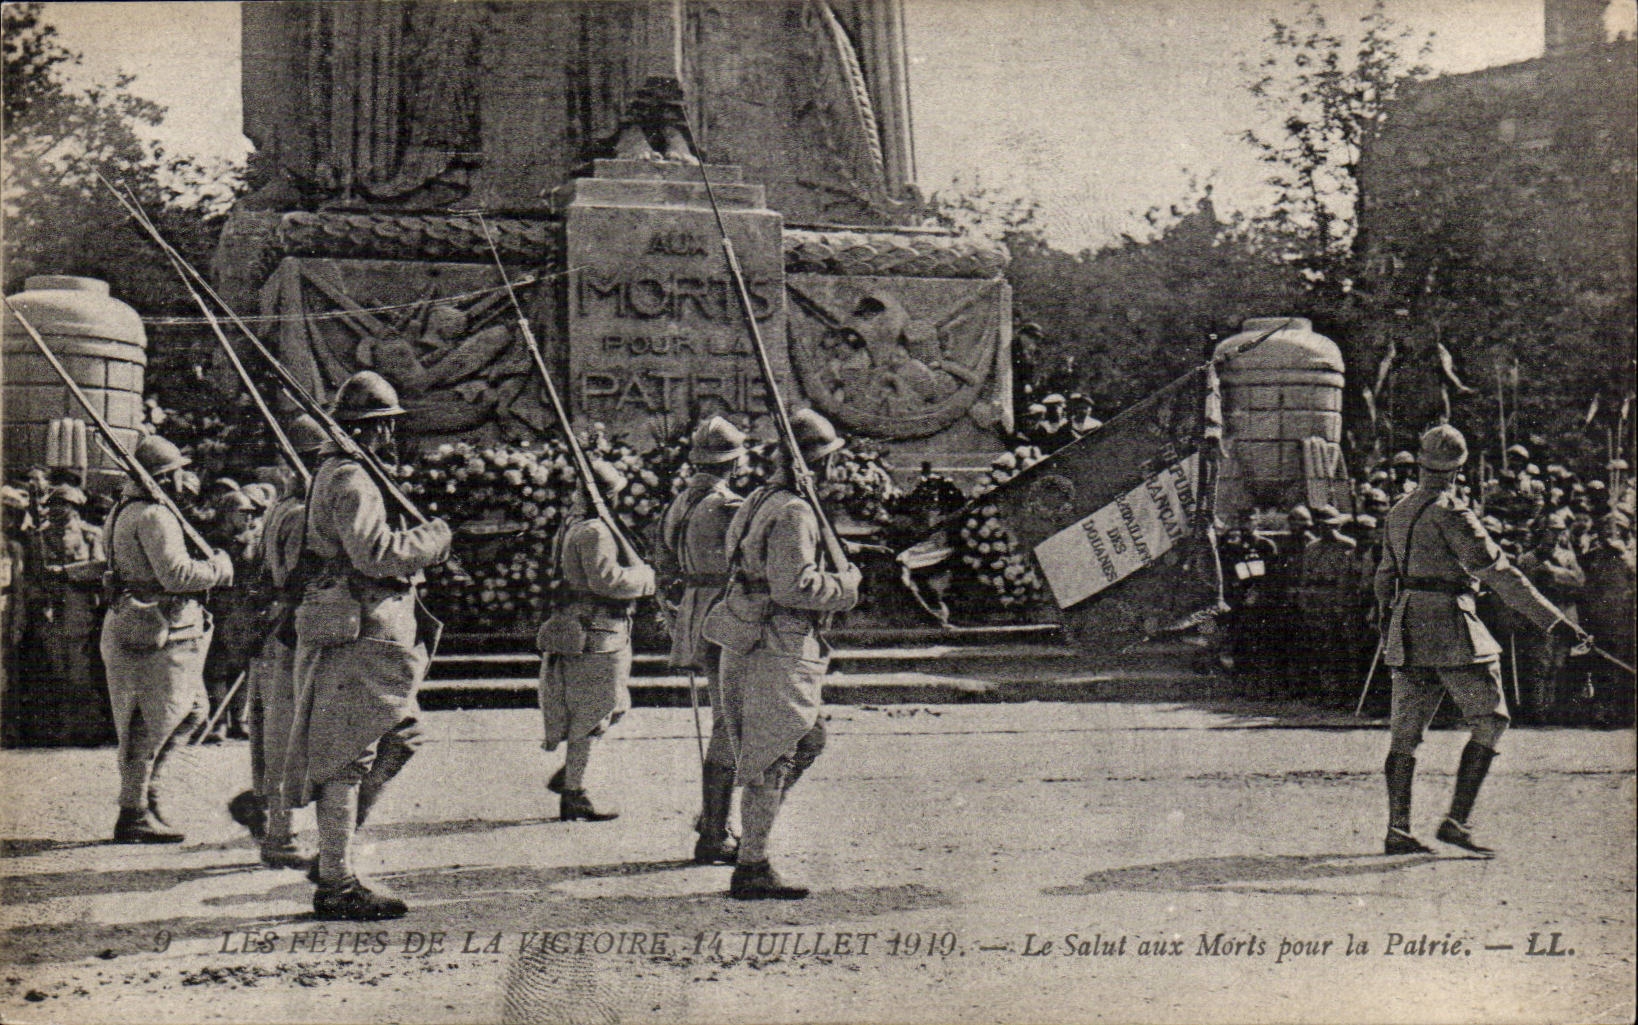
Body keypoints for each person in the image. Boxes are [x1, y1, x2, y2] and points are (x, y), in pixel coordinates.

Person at [1373, 425, 1588, 858]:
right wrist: (1556, 623)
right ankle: (1456, 821)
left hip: (1408, 627)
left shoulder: (1398, 510)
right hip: (1452, 626)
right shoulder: (1453, 513)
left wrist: (1388, 623)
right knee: (1491, 720)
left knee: (1404, 737)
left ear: (1420, 462)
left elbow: (1384, 575)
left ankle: (1398, 829)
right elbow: (1501, 574)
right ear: (1459, 469)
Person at [286, 372, 451, 920]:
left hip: (363, 627)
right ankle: (336, 880)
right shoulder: (352, 477)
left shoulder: (336, 472)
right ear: (374, 430)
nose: (391, 439)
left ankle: (337, 854)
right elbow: (374, 555)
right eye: (386, 428)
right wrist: (434, 539)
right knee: (348, 759)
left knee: (401, 737)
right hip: (363, 631)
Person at [703, 409, 861, 899]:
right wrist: (845, 587)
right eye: (829, 460)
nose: (836, 468)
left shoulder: (758, 499)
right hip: (776, 644)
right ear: (813, 464)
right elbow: (794, 586)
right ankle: (752, 865)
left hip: (749, 637)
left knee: (807, 741)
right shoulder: (793, 510)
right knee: (775, 753)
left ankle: (754, 834)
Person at [100, 435, 235, 843]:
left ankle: (146, 795)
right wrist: (218, 569)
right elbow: (175, 575)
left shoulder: (122, 511)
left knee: (191, 711)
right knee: (149, 723)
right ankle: (134, 810)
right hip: (158, 626)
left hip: (144, 623)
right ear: (162, 476)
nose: (184, 477)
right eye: (177, 471)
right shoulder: (154, 515)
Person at [228, 415, 330, 868]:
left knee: (272, 729)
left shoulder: (279, 509)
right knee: (287, 733)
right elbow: (299, 576)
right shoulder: (302, 513)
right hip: (287, 632)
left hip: (270, 628)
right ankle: (281, 835)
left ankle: (272, 822)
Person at [537, 459, 656, 822]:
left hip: (594, 630)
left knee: (613, 706)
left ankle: (573, 770)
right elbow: (608, 581)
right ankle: (575, 792)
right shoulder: (594, 532)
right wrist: (646, 579)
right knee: (593, 715)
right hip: (597, 634)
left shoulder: (577, 526)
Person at [655, 416, 749, 862]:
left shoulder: (680, 503)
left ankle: (714, 823)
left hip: (695, 611)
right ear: (734, 462)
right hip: (726, 614)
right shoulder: (730, 505)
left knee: (723, 719)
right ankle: (714, 832)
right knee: (730, 724)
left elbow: (664, 564)